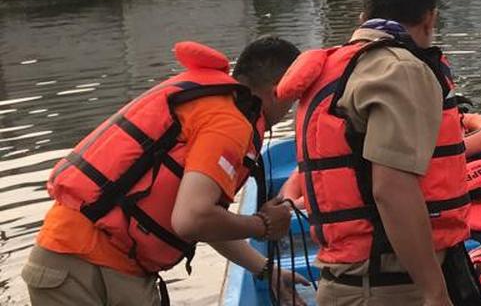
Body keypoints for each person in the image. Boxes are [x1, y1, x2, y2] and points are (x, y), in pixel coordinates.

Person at [24, 37, 306, 306]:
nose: (290, 109)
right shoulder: (229, 123)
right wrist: (263, 225)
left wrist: (265, 269)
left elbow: (201, 219)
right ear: (277, 89)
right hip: (82, 269)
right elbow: (192, 219)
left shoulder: (211, 102)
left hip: (95, 263)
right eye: (293, 99)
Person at [275, 0, 481, 306]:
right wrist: (435, 291)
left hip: (343, 282)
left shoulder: (332, 67)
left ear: (362, 17)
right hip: (392, 289)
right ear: (430, 19)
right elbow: (392, 188)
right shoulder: (400, 68)